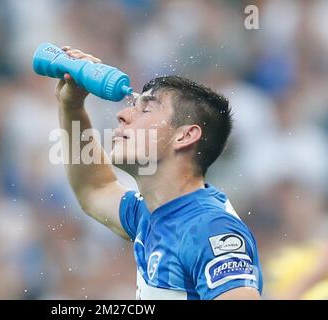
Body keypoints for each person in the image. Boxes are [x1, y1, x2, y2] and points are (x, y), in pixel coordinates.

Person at [54, 46, 263, 300]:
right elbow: (94, 189)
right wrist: (72, 106)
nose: (122, 115)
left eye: (145, 109)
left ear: (185, 135)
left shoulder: (209, 228)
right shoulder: (152, 212)